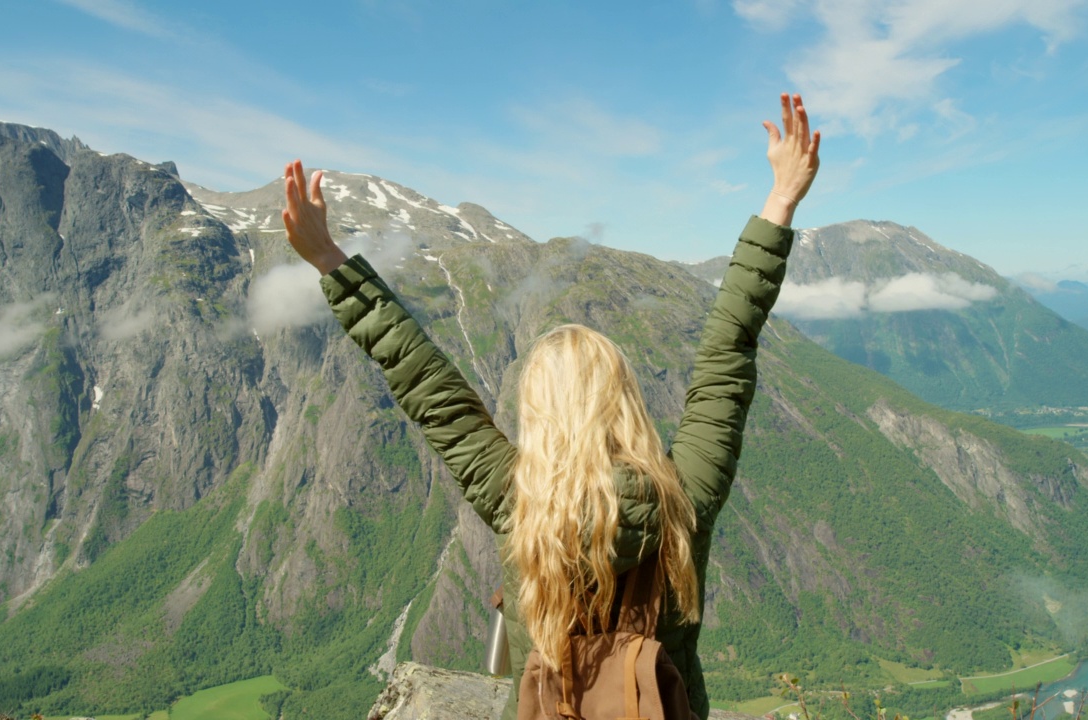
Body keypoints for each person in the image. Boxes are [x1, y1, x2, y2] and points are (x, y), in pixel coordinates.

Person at [282, 92, 820, 720]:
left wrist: (330, 260)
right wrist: (779, 202)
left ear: (539, 413)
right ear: (623, 400)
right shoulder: (684, 497)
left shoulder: (519, 503)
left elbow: (429, 389)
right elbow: (727, 356)